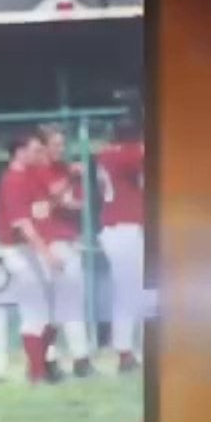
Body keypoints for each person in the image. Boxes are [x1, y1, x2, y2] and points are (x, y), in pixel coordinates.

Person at [0, 131, 62, 385]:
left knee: (49, 310)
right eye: (33, 150)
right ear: (19, 151)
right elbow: (23, 224)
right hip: (20, 250)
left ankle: (43, 366)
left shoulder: (31, 175)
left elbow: (50, 201)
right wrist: (47, 253)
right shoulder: (12, 180)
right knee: (34, 310)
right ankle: (37, 372)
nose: (38, 154)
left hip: (33, 248)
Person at [36, 125, 93, 377]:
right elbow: (53, 195)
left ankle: (80, 359)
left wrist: (69, 194)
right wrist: (69, 182)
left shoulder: (66, 170)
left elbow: (77, 203)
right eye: (54, 144)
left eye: (62, 144)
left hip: (68, 239)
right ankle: (48, 360)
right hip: (48, 242)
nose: (60, 149)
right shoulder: (38, 170)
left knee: (70, 303)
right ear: (43, 146)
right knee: (49, 306)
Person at [95, 118, 146, 373]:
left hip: (119, 227)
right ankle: (125, 353)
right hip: (125, 228)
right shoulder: (128, 153)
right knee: (130, 293)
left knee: (132, 292)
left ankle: (128, 350)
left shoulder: (107, 153)